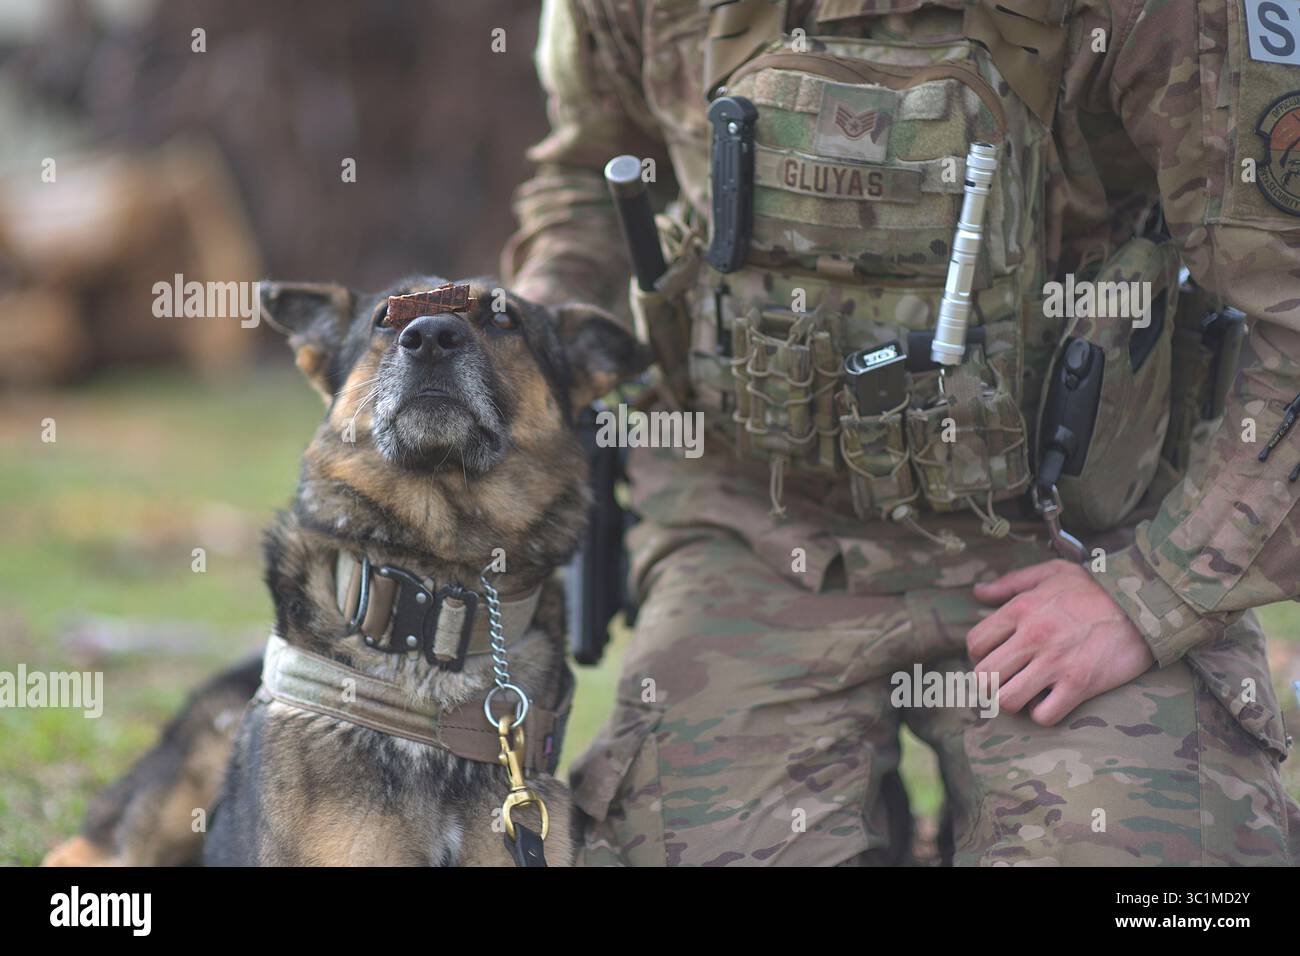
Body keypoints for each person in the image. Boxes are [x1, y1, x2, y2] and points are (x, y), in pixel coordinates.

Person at [504, 0, 1300, 865]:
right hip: (755, 534)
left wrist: (1153, 594)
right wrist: (529, 360)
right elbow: (588, 172)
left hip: (1082, 540)